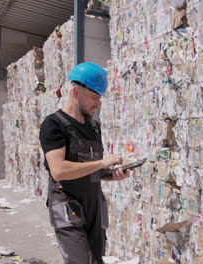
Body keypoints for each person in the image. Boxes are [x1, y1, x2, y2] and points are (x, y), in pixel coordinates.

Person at [39, 62, 130, 264]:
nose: (98, 103)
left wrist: (112, 175)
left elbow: (92, 171)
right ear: (77, 92)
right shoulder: (53, 124)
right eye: (95, 97)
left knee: (96, 261)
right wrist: (101, 164)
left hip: (94, 207)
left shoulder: (93, 127)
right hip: (68, 206)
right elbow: (59, 170)